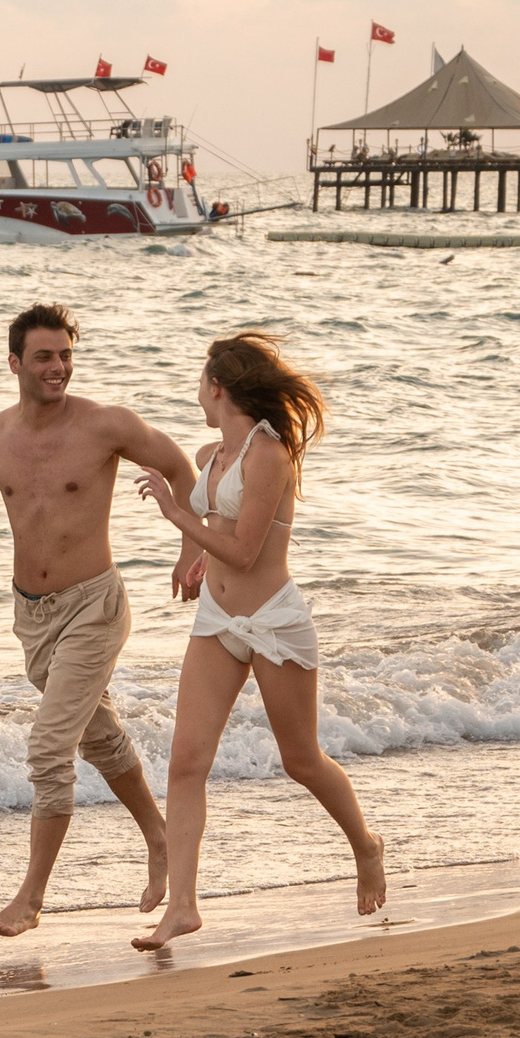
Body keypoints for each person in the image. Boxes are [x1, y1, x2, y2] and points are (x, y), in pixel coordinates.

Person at [129, 333, 386, 949]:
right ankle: (183, 907)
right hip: (218, 619)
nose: (196, 392)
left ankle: (366, 846)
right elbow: (222, 536)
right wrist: (193, 560)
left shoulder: (270, 455)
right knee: (187, 762)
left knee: (302, 761)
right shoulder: (211, 452)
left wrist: (175, 515)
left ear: (217, 387)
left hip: (272, 619)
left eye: (200, 381)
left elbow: (246, 552)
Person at [0, 305, 201, 938]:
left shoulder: (107, 425)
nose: (58, 367)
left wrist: (189, 545)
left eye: (65, 354)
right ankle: (160, 838)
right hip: (31, 617)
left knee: (48, 746)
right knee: (98, 738)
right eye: (44, 357)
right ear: (15, 363)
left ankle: (29, 901)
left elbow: (182, 469)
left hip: (95, 606)